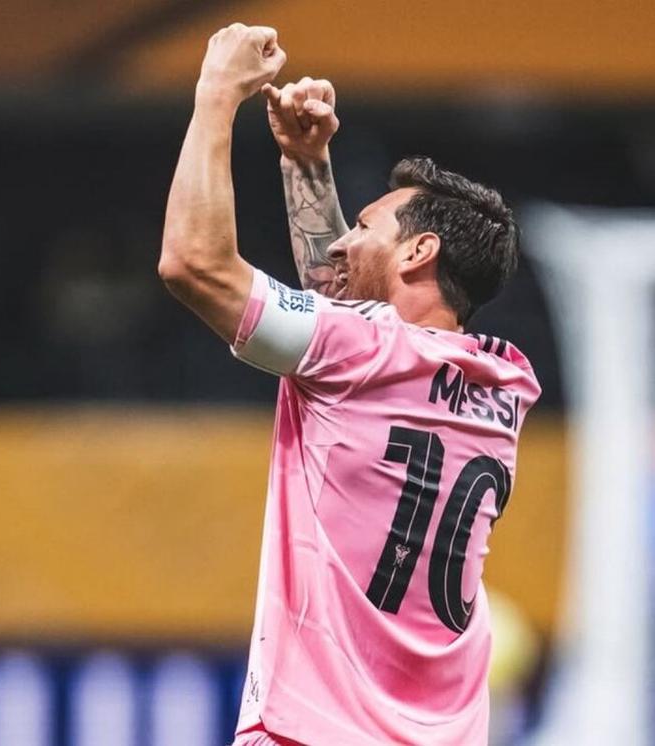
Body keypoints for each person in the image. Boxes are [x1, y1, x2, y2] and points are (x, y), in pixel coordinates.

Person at [159, 23, 540, 745]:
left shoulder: (361, 352)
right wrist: (306, 164)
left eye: (365, 226)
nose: (342, 242)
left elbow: (192, 264)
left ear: (420, 250)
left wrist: (215, 93)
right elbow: (347, 316)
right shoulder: (503, 385)